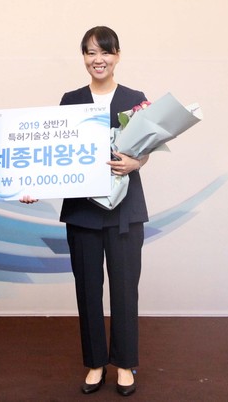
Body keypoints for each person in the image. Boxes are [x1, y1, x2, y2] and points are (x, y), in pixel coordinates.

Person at [21, 26, 148, 397]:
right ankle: (95, 364)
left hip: (125, 211)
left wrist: (137, 162)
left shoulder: (136, 99)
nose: (98, 59)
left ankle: (124, 364)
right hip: (82, 213)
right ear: (84, 57)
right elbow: (55, 153)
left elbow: (147, 147)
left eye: (105, 52)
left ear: (117, 55)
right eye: (91, 52)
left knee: (125, 291)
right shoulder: (71, 100)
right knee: (88, 290)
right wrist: (34, 186)